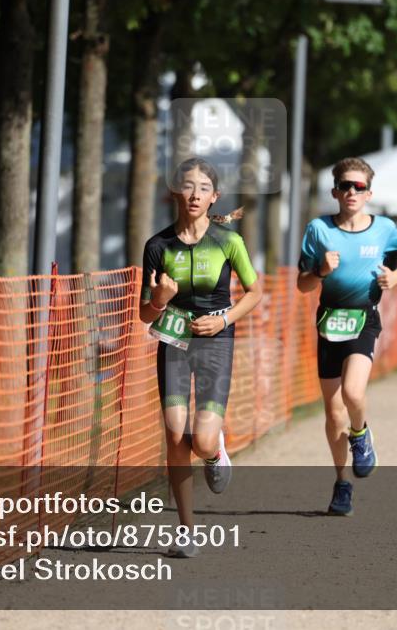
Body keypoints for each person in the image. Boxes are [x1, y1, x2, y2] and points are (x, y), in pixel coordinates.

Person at [138, 156, 262, 558]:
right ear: (176, 192)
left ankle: (216, 450)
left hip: (215, 343)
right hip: (173, 342)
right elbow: (145, 312)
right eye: (187, 186)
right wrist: (160, 299)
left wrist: (223, 318)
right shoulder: (157, 246)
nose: (194, 194)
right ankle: (188, 531)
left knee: (202, 440)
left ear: (215, 197)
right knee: (175, 436)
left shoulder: (229, 241)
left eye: (203, 188)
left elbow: (255, 293)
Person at [296, 157, 397, 517]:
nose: (351, 191)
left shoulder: (383, 229)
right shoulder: (318, 230)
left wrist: (394, 278)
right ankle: (341, 483)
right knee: (332, 414)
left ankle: (361, 435)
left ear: (369, 193)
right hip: (329, 322)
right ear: (334, 191)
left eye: (358, 187)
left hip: (364, 318)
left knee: (353, 393)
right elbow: (303, 284)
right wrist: (320, 270)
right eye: (345, 185)